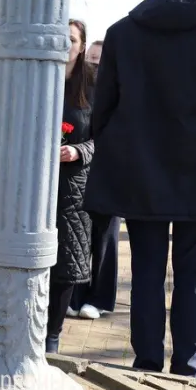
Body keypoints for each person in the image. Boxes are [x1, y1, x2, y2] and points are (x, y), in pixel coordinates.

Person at [84, 0, 196, 377]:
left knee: (146, 271)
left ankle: (146, 361)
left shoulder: (122, 32)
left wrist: (119, 152)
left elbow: (103, 109)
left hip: (141, 171)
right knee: (195, 276)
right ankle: (187, 367)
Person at [46, 19, 96, 354]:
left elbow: (107, 135)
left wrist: (79, 150)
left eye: (73, 40)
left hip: (73, 185)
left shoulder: (93, 83)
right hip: (34, 182)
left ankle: (53, 334)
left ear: (81, 46)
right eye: (61, 38)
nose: (66, 45)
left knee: (66, 262)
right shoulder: (38, 75)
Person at [69, 37, 120, 321]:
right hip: (82, 174)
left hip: (110, 172)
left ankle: (99, 299)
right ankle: (76, 295)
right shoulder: (80, 91)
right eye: (91, 61)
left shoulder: (117, 89)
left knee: (105, 238)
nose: (94, 67)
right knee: (80, 237)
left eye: (100, 62)